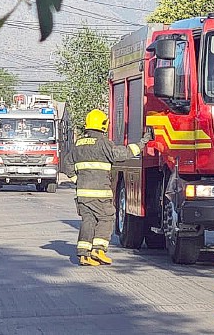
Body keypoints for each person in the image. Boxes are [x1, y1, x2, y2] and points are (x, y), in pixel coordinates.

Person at [64, 109, 153, 266]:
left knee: (88, 220)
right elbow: (123, 154)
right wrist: (143, 142)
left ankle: (84, 254)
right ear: (103, 125)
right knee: (107, 217)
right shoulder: (103, 143)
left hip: (82, 194)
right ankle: (98, 249)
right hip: (99, 193)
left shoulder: (78, 144)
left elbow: (67, 164)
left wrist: (77, 180)